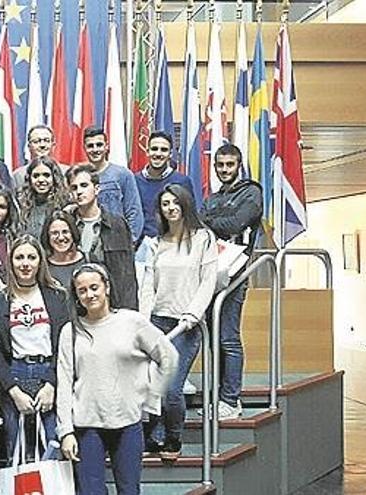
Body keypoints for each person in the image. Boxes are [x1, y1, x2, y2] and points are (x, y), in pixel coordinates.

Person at [57, 263, 177, 495]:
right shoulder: (70, 331)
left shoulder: (132, 322)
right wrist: (66, 432)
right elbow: (64, 383)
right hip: (87, 426)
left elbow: (168, 356)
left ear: (107, 287)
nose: (89, 294)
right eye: (82, 291)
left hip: (128, 424)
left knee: (129, 490)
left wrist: (151, 397)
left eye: (94, 287)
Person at [139, 184, 218, 461]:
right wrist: (144, 319)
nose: (170, 208)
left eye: (175, 203)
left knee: (172, 388)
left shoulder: (203, 239)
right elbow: (149, 283)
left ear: (185, 204)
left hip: (186, 325)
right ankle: (155, 435)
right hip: (157, 321)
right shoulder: (157, 242)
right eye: (165, 204)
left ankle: (173, 437)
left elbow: (208, 281)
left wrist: (192, 315)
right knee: (151, 384)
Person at [0, 236, 70, 458]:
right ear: (10, 262)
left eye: (31, 257)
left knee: (52, 448)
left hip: (48, 375)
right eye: (19, 257)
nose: (25, 263)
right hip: (15, 376)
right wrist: (14, 392)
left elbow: (64, 346)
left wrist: (52, 384)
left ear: (40, 262)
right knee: (18, 452)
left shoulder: (56, 296)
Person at [202, 144, 263, 420]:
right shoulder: (212, 197)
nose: (224, 169)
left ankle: (231, 398)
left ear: (239, 165)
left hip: (236, 275)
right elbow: (200, 225)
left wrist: (211, 221)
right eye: (220, 165)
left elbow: (236, 224)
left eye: (229, 164)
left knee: (228, 338)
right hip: (211, 274)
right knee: (214, 339)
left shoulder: (252, 192)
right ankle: (219, 397)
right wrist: (215, 221)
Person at [66, 165, 139, 311]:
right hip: (75, 304)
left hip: (109, 304)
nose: (79, 191)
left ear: (97, 189)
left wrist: (127, 313)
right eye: (74, 188)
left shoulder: (116, 224)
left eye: (84, 185)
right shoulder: (66, 223)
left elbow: (126, 275)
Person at [82, 126, 144, 244]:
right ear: (84, 148)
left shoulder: (122, 175)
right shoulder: (80, 176)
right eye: (90, 146)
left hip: (117, 242)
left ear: (107, 146)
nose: (95, 149)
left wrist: (128, 242)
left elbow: (134, 212)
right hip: (87, 241)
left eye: (99, 145)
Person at [134, 131, 198, 241]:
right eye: (154, 149)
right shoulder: (134, 180)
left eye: (163, 150)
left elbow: (189, 217)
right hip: (141, 246)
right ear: (147, 151)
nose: (158, 154)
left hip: (174, 243)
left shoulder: (182, 181)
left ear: (170, 154)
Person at [17, 156, 70, 237]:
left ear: (54, 178)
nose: (41, 180)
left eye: (46, 175)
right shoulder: (21, 205)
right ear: (29, 179)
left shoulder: (65, 204)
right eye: (36, 176)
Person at [41, 211, 86, 290]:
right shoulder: (43, 267)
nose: (61, 238)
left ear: (73, 233)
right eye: (55, 233)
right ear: (47, 236)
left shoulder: (89, 260)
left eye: (65, 232)